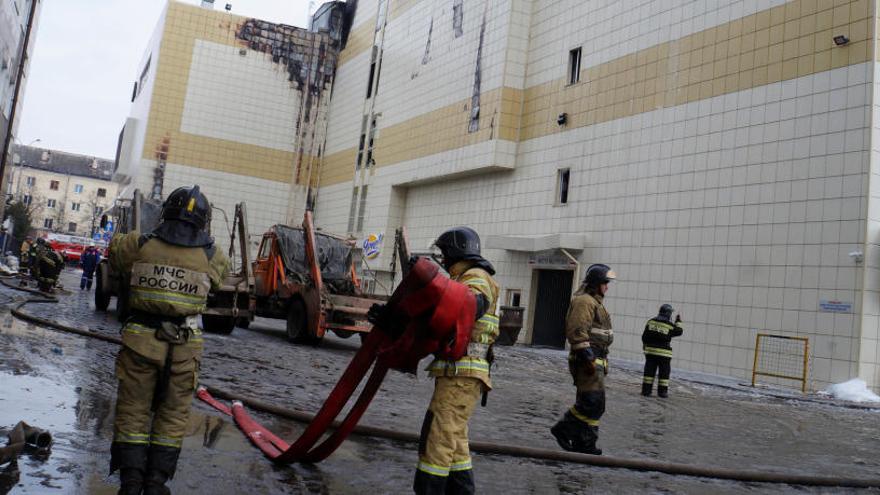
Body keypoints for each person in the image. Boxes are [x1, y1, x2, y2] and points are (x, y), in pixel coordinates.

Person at [109, 186, 228, 495]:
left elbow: (115, 252)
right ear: (203, 220)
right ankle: (156, 484)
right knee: (174, 415)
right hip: (185, 349)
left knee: (133, 410)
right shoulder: (213, 255)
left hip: (140, 343)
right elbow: (218, 281)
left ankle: (131, 482)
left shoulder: (140, 244)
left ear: (165, 212)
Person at [413, 226, 499, 495]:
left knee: (437, 439)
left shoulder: (475, 276)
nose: (443, 258)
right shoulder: (462, 277)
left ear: (455, 251)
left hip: (462, 375)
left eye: (444, 252)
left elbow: (472, 303)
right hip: (459, 375)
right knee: (454, 441)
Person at [550, 263, 616, 456]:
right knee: (592, 402)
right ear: (596, 283)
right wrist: (587, 357)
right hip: (587, 359)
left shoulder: (595, 302)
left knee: (595, 404)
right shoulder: (584, 301)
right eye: (605, 283)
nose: (607, 287)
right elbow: (577, 330)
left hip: (596, 359)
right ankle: (563, 429)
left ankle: (584, 442)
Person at [641, 304, 684, 398]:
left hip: (651, 352)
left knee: (649, 373)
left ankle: (646, 391)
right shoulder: (669, 325)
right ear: (668, 313)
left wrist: (645, 345)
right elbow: (679, 331)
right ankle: (662, 392)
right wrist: (678, 321)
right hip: (664, 354)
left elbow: (644, 337)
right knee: (664, 374)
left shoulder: (650, 322)